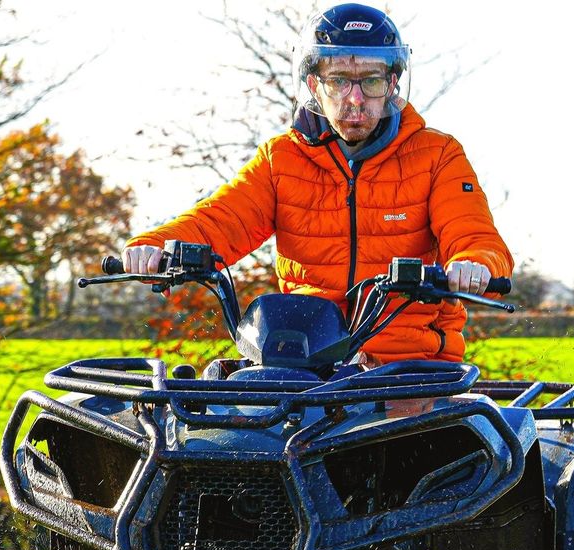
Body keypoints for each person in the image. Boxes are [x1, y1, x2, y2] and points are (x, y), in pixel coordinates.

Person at [123, 3, 513, 364]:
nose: (355, 99)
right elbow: (221, 219)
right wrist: (156, 245)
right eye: (338, 80)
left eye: (371, 81)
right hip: (304, 361)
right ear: (314, 85)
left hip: (411, 367)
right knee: (219, 406)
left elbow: (476, 236)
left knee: (416, 418)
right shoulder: (281, 159)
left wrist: (474, 264)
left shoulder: (437, 155)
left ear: (392, 84)